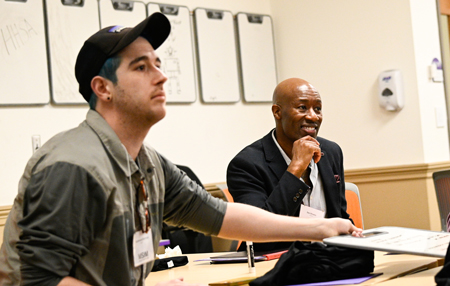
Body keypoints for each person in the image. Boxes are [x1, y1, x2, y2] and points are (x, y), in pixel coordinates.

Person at [0, 14, 361, 286]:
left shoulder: (149, 163)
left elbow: (221, 215)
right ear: (103, 88)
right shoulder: (72, 165)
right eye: (141, 67)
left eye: (157, 63)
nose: (160, 76)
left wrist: (322, 228)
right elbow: (37, 279)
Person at [227, 78, 351, 252]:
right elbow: (258, 233)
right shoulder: (246, 164)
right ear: (277, 112)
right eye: (302, 107)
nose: (313, 116)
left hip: (327, 259)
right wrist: (296, 167)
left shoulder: (331, 151)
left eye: (317, 108)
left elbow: (340, 216)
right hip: (275, 263)